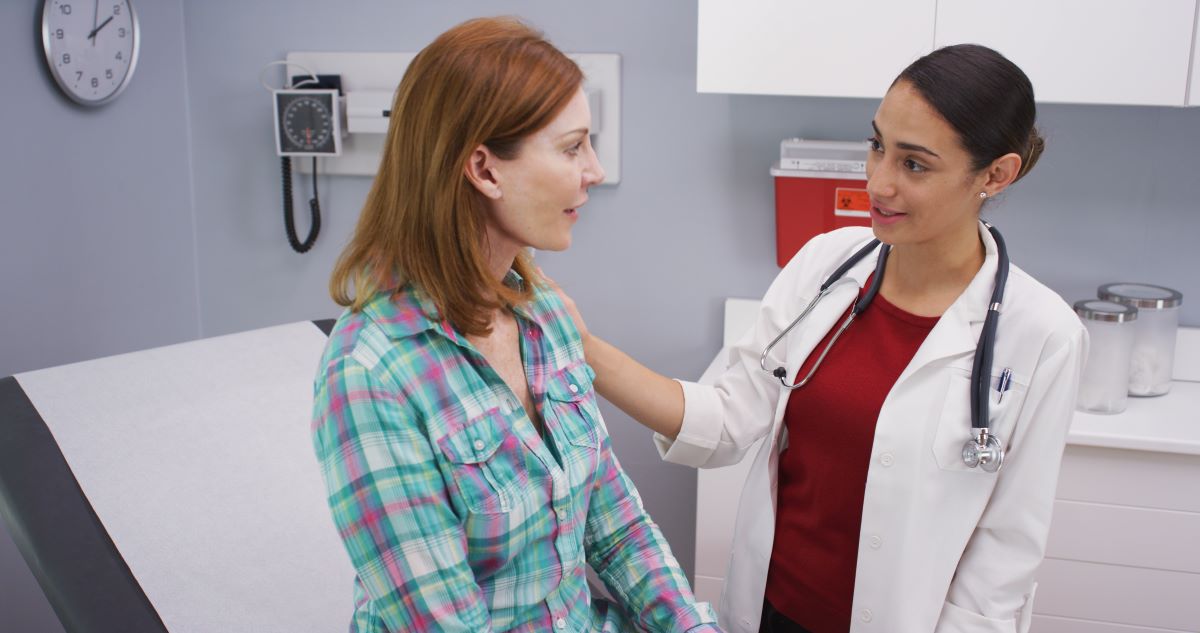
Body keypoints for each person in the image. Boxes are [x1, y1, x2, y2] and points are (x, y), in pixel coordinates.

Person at [553, 44, 1088, 633]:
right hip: (772, 612)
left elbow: (1004, 555)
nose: (878, 184)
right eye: (877, 145)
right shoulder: (825, 266)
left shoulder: (1043, 334)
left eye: (915, 165)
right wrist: (579, 346)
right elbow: (729, 421)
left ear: (996, 173)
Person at [311, 17, 720, 633]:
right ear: (485, 169)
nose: (596, 171)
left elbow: (618, 529)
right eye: (573, 146)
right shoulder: (371, 373)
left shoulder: (544, 312)